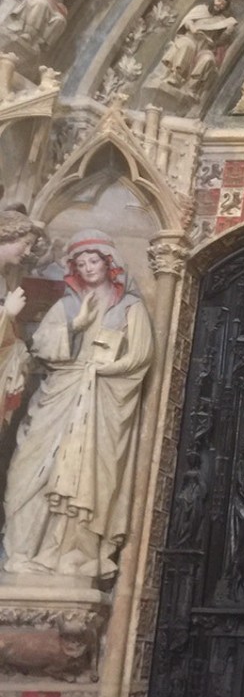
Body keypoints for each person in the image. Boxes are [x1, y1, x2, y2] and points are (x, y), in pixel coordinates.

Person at [2, 230, 153, 579]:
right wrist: (75, 325)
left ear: (108, 262)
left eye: (94, 260)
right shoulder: (67, 305)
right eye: (81, 262)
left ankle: (73, 554)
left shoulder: (129, 308)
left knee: (88, 476)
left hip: (101, 402)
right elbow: (40, 347)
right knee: (27, 470)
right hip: (59, 395)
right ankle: (23, 552)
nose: (88, 267)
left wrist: (101, 370)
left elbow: (139, 358)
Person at [0, 210, 44, 434]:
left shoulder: (4, 279)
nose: (27, 252)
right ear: (7, 235)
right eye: (25, 244)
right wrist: (6, 314)